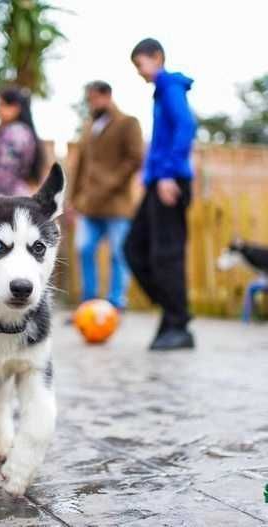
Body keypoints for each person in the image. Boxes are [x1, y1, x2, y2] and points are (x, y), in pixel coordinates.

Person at [125, 38, 197, 350]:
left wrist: (167, 174)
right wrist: (150, 174)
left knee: (165, 255)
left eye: (141, 64)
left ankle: (178, 323)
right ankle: (173, 314)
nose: (139, 72)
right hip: (157, 182)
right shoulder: (161, 92)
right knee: (134, 249)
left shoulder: (170, 87)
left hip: (171, 181)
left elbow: (186, 126)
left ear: (157, 57)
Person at [71, 81, 144, 310]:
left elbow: (135, 159)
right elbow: (80, 165)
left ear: (107, 96)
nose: (92, 104)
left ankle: (115, 302)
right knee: (84, 249)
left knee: (118, 254)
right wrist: (73, 198)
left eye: (95, 99)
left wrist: (109, 185)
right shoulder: (88, 126)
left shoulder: (128, 123)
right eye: (89, 100)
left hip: (116, 205)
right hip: (89, 206)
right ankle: (89, 302)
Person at [0, 86, 44, 196]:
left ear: (15, 108)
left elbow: (4, 174)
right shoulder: (8, 131)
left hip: (6, 200)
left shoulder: (15, 133)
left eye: (2, 104)